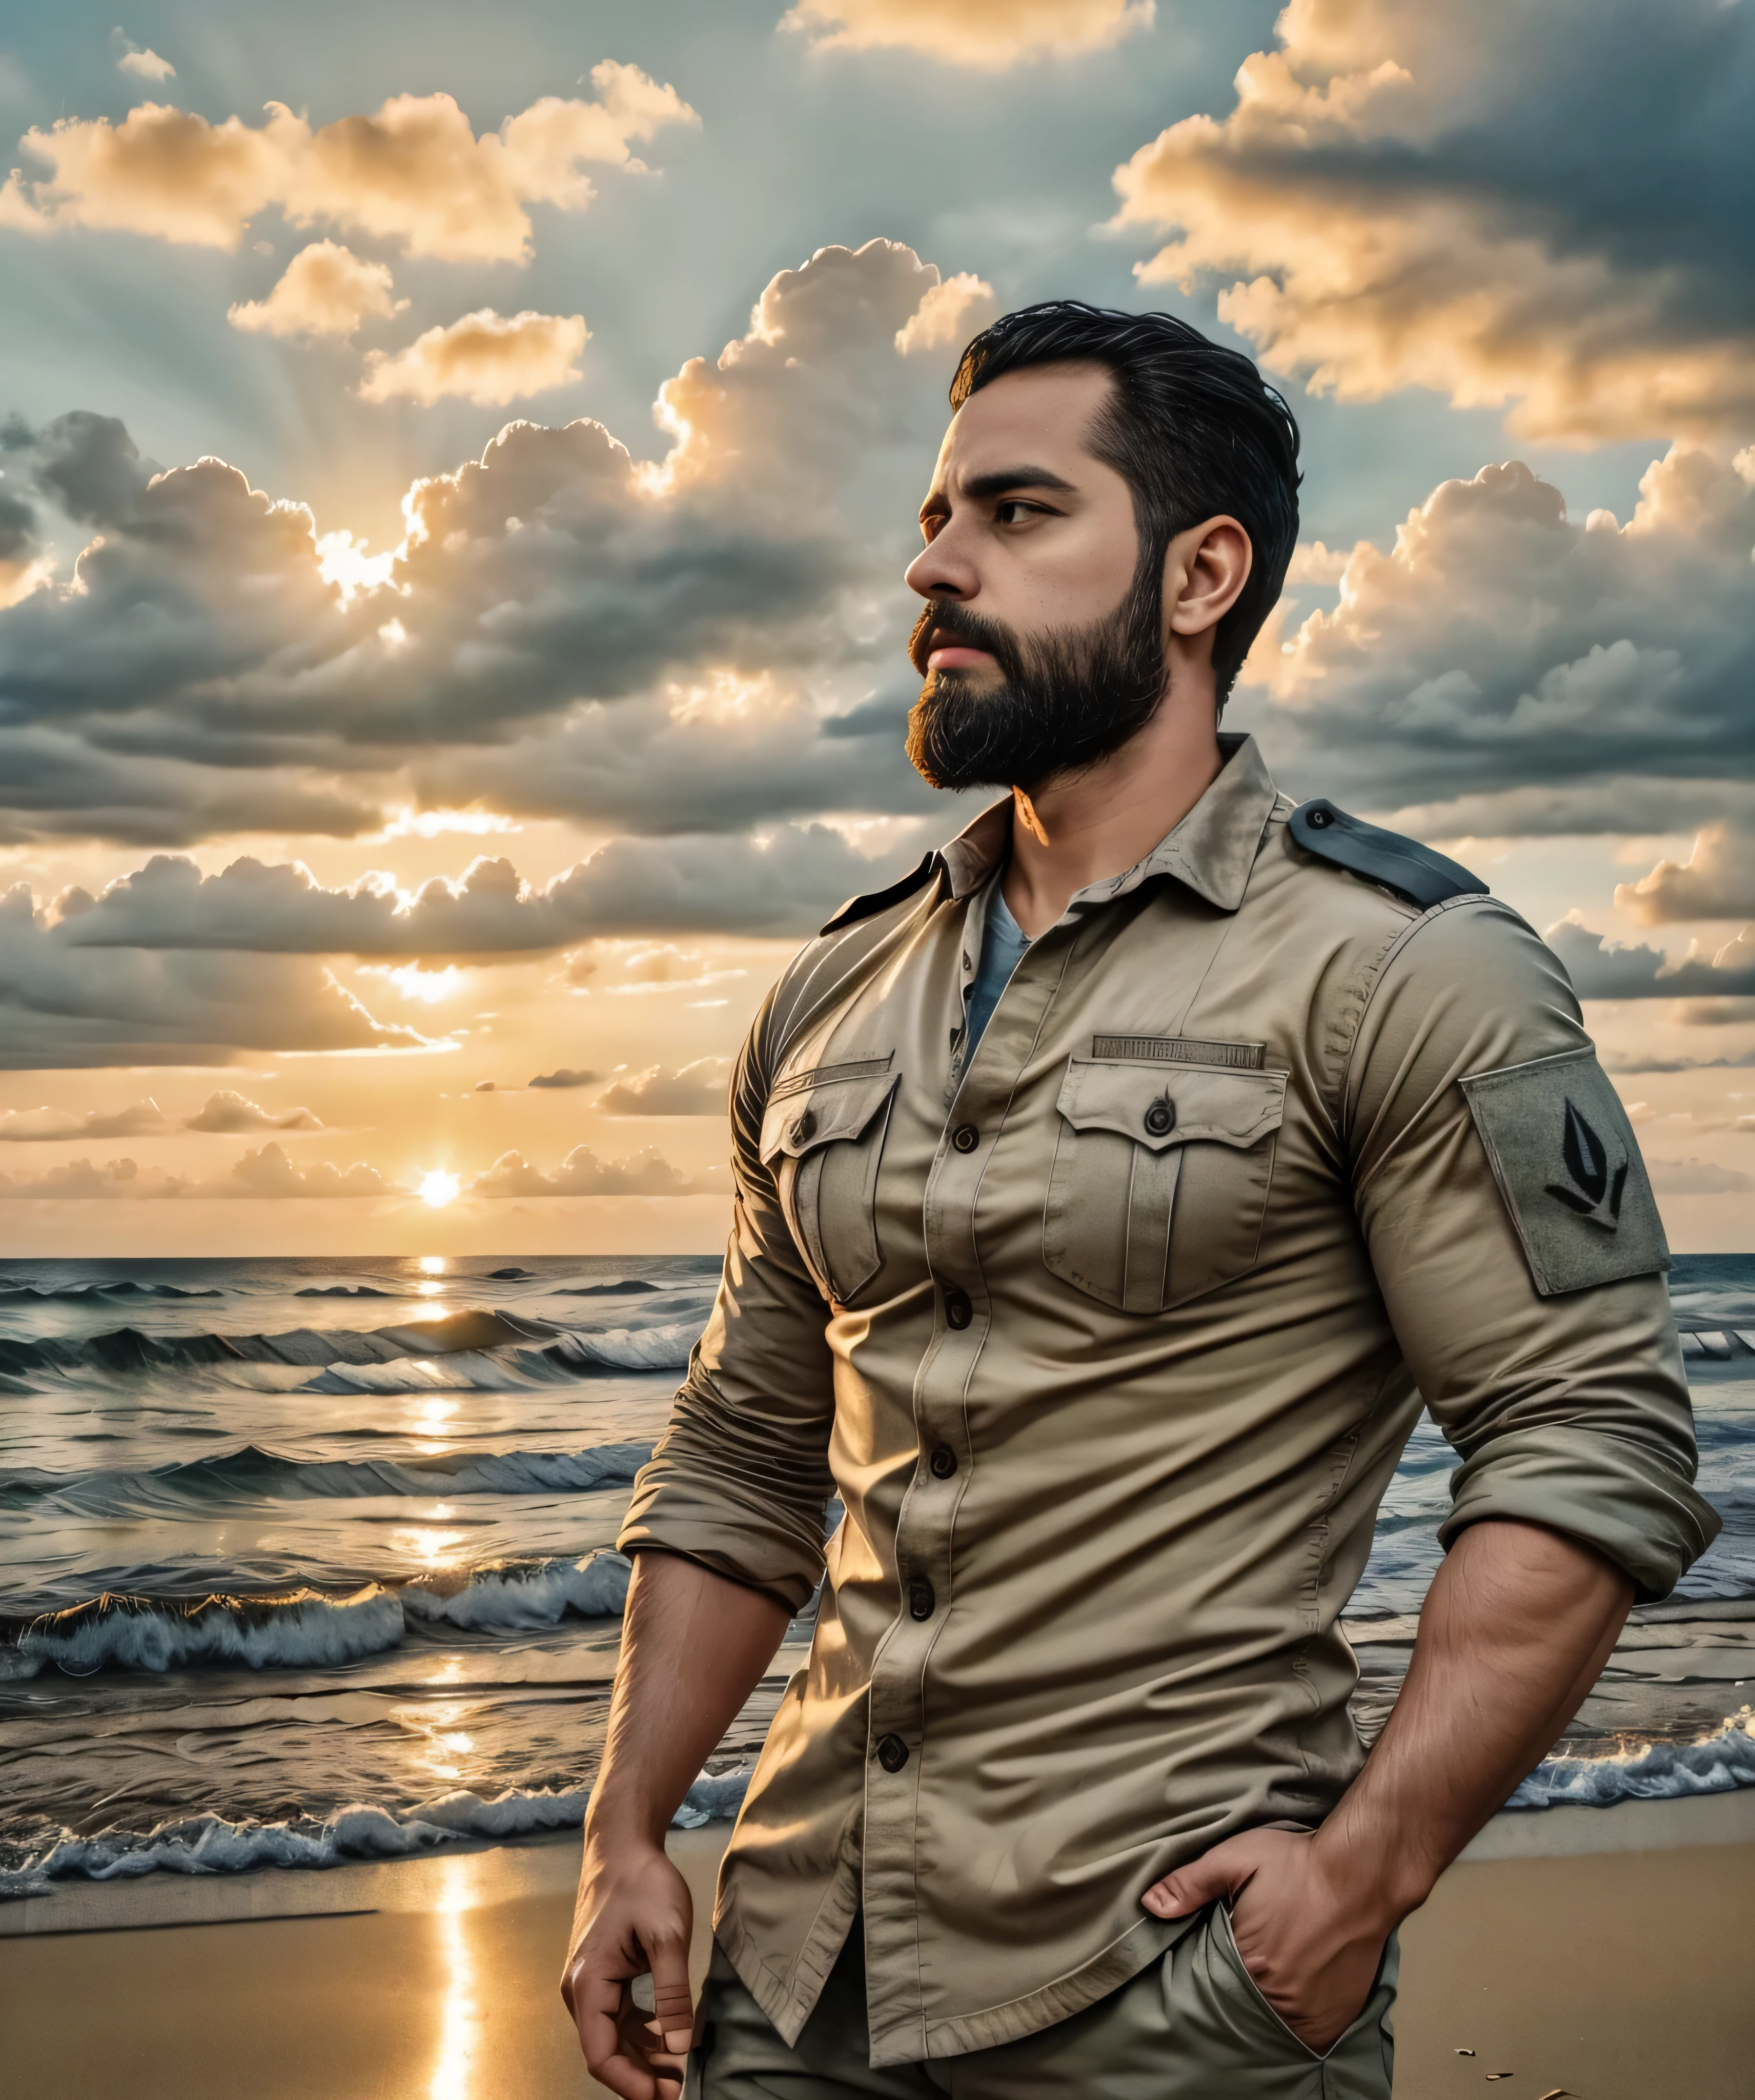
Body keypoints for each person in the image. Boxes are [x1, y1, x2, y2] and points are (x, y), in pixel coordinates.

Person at [561, 303, 1717, 2097]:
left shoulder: (1411, 973)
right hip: (791, 1981)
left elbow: (1589, 1437)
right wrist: (624, 1828)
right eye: (938, 518)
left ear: (1201, 576)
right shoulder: (830, 998)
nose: (934, 569)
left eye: (1017, 516)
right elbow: (743, 1453)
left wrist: (1360, 1880)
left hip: (1168, 1985)